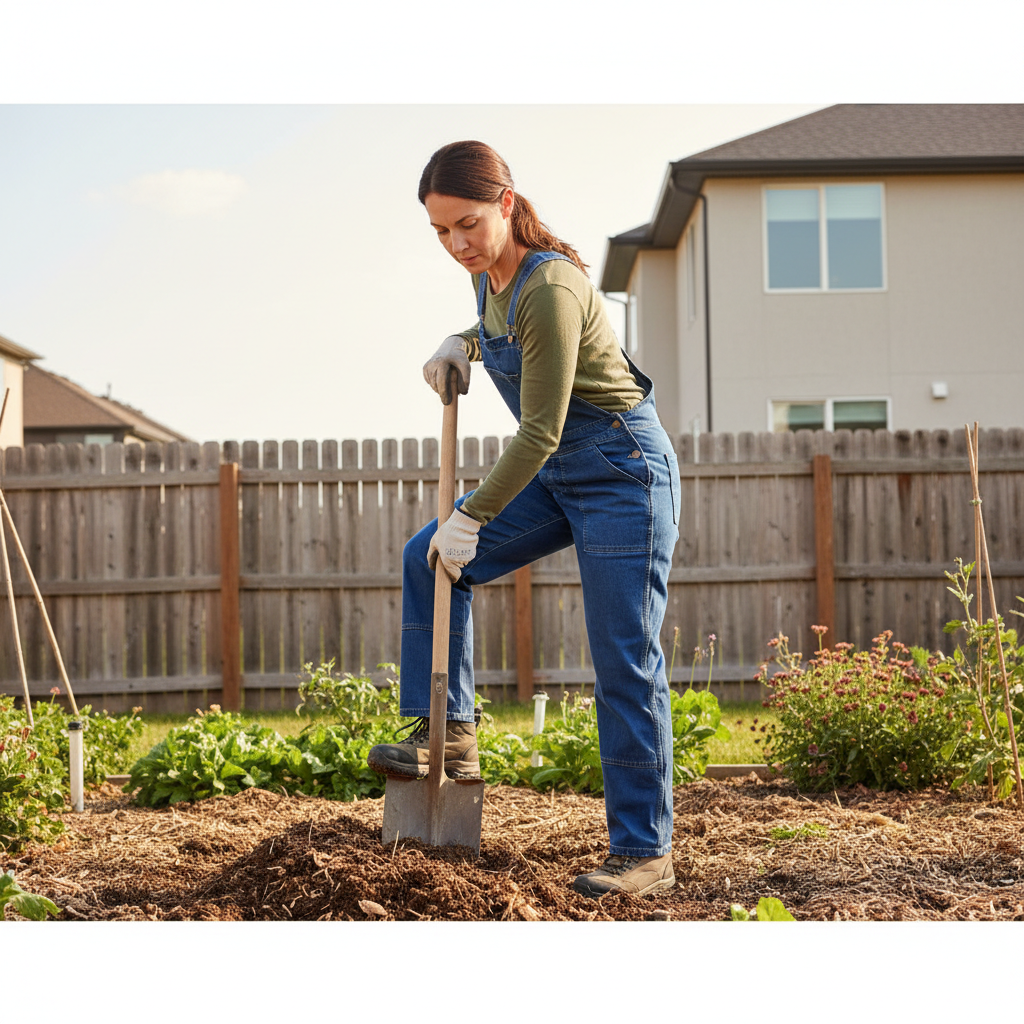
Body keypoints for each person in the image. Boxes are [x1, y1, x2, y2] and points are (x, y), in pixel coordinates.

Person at [368, 140, 681, 899]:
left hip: (619, 472)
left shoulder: (551, 285)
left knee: (622, 659)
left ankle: (645, 853)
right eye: (442, 233)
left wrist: (471, 514)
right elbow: (512, 345)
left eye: (468, 224)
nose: (458, 245)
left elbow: (539, 431)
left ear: (507, 203)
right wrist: (462, 340)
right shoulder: (490, 282)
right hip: (561, 472)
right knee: (428, 559)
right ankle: (450, 735)